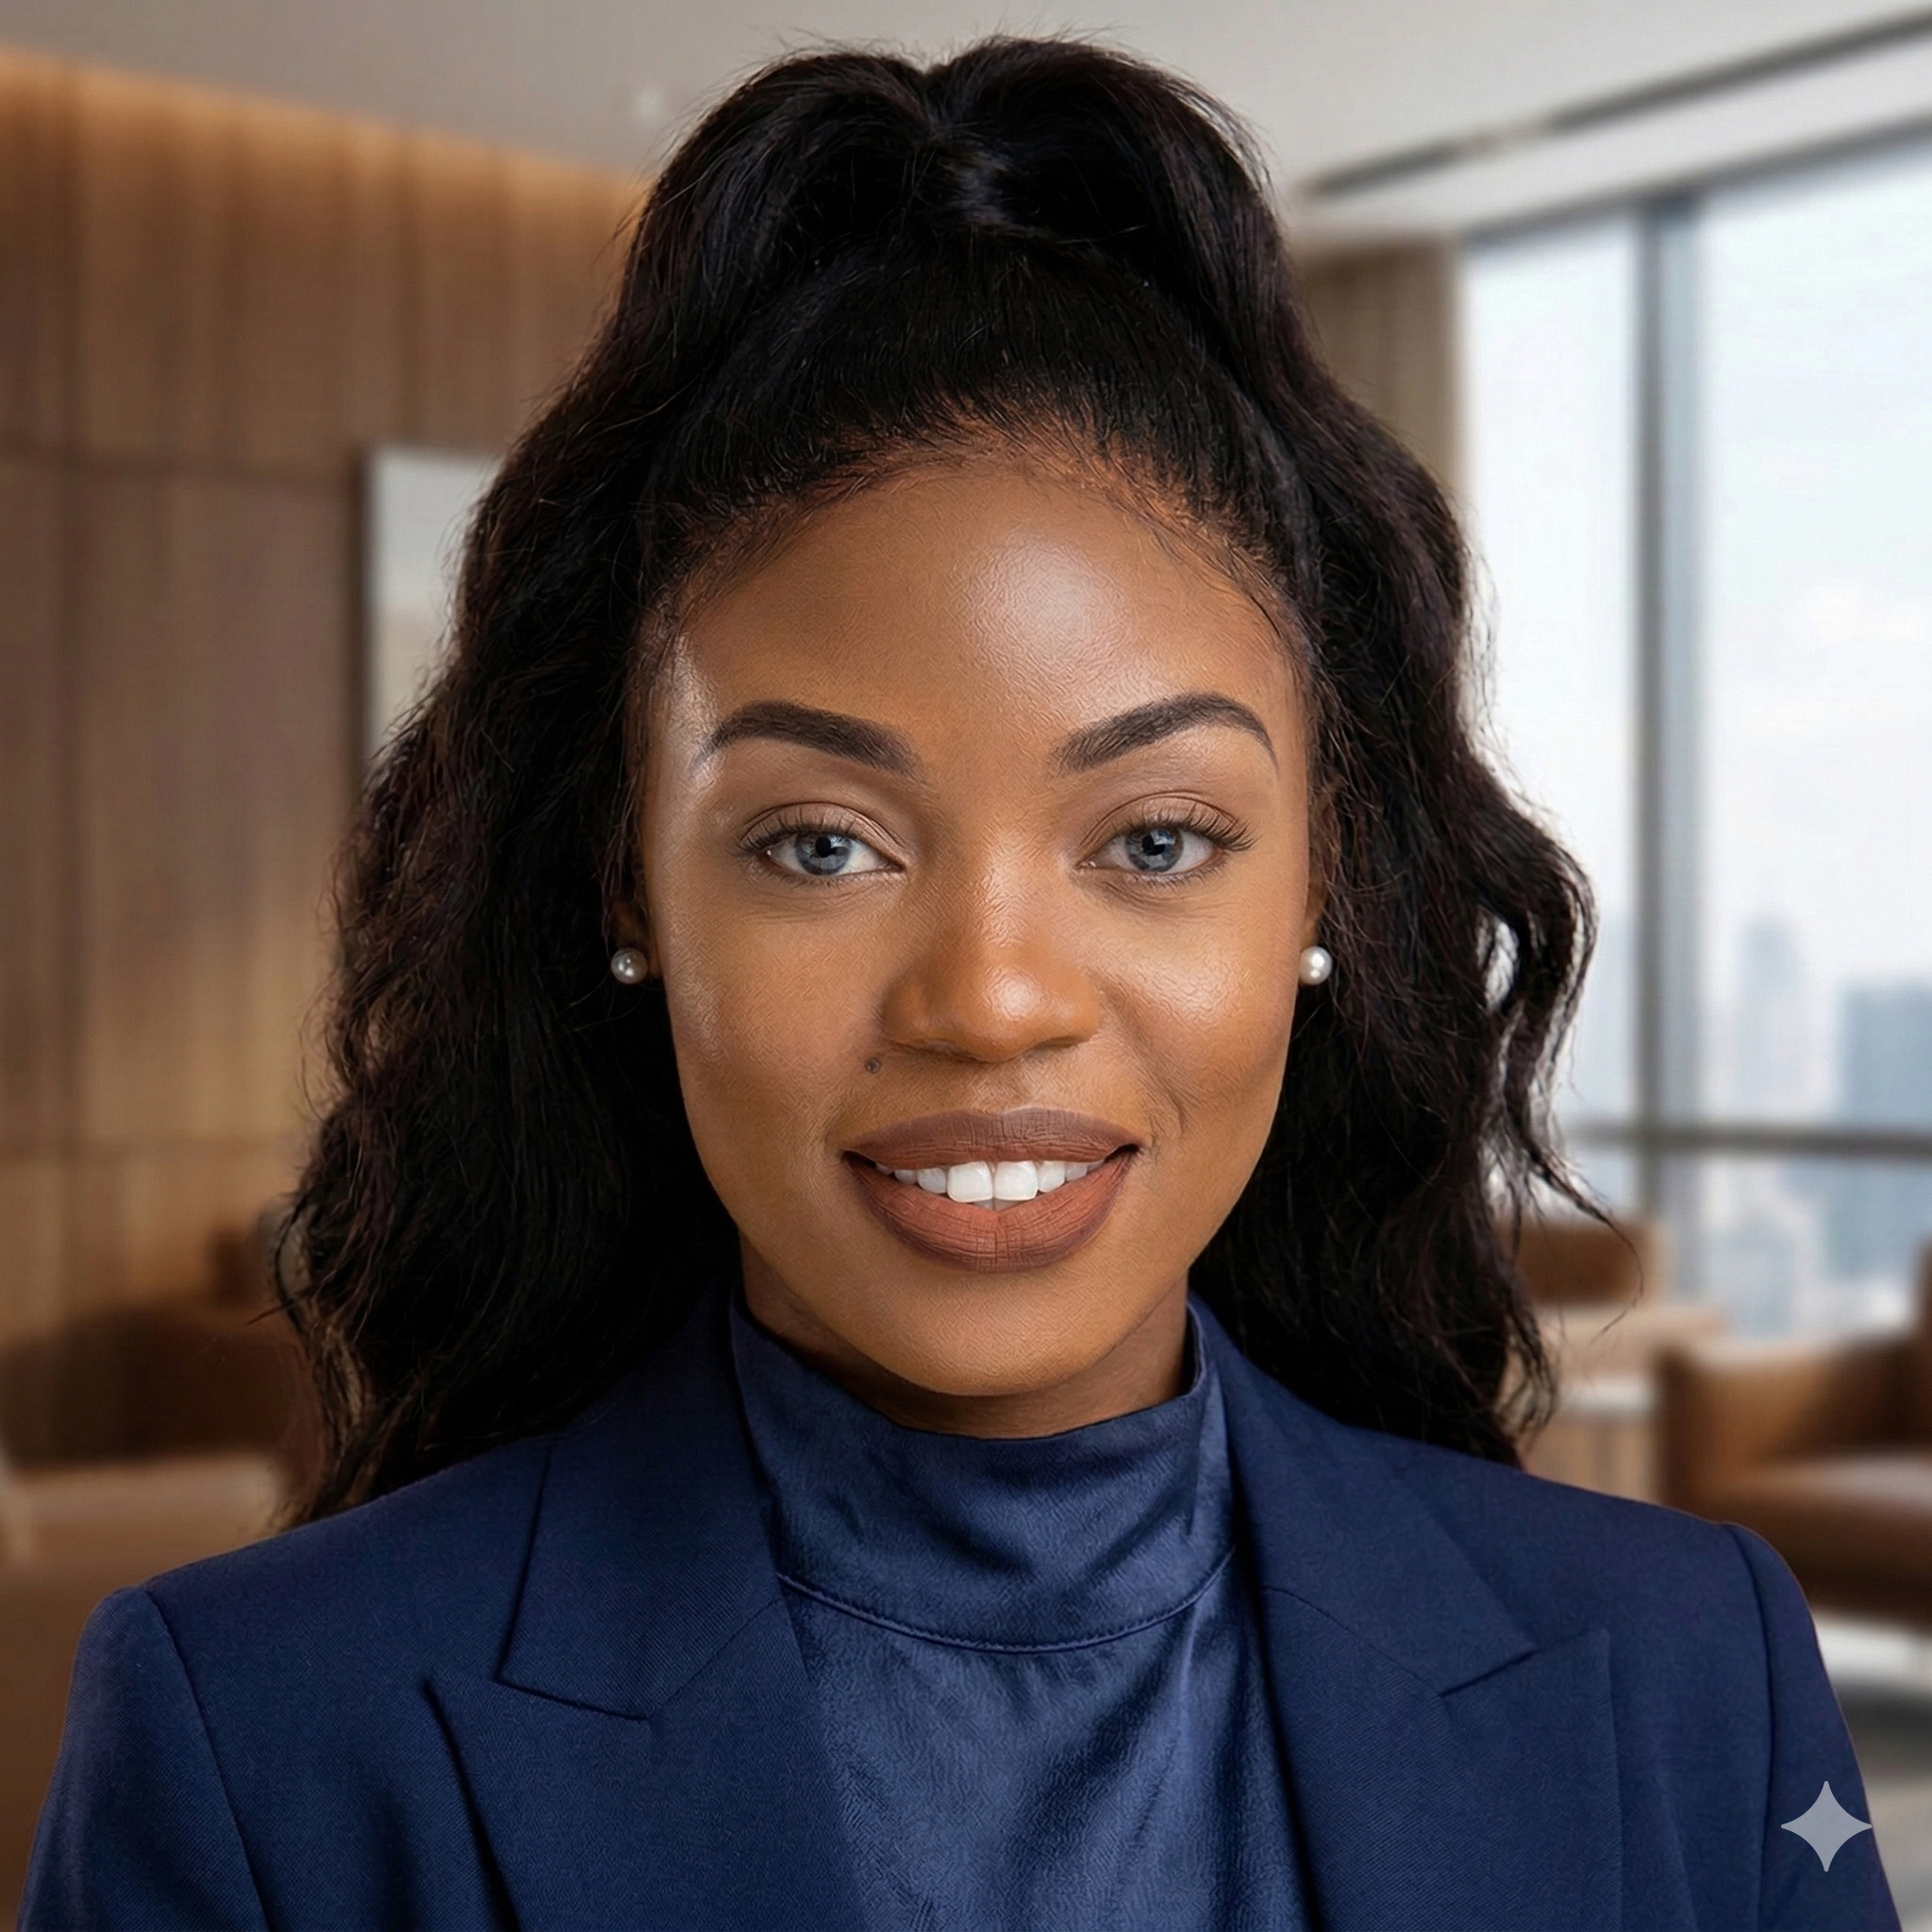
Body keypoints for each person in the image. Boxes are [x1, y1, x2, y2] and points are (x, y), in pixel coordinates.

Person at [25, 38, 1896, 1932]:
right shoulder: (258, 1739)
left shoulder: (1683, 1675)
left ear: (1319, 882)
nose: (992, 1000)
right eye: (821, 841)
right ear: (630, 889)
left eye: (1155, 839)